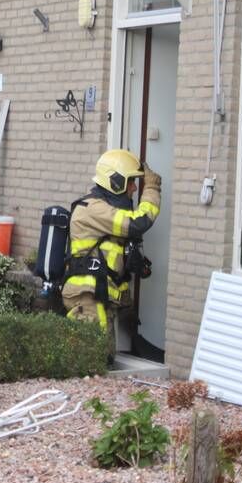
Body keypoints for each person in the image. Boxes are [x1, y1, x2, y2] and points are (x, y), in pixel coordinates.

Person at [61, 149, 161, 361]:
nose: (134, 188)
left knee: (103, 359)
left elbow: (113, 267)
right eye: (131, 182)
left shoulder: (104, 209)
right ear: (116, 182)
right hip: (87, 297)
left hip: (99, 295)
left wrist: (126, 304)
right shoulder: (93, 209)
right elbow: (138, 223)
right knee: (91, 359)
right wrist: (151, 188)